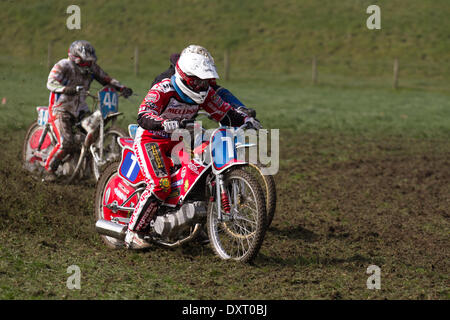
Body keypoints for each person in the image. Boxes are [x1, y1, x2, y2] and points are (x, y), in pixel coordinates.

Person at [125, 44, 261, 249]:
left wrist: (245, 121)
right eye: (197, 80)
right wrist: (163, 123)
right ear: (186, 76)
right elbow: (144, 114)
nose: (202, 85)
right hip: (152, 139)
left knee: (199, 174)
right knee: (160, 185)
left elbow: (225, 113)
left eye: (205, 81)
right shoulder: (164, 89)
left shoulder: (205, 93)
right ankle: (134, 232)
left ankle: (192, 225)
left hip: (180, 140)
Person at [44, 40, 133, 181]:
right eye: (86, 62)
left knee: (93, 133)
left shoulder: (92, 68)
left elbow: (106, 79)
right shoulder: (63, 65)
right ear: (76, 59)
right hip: (61, 109)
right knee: (66, 142)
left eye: (90, 62)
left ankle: (86, 167)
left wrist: (122, 88)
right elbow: (51, 82)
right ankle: (49, 169)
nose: (89, 65)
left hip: (81, 110)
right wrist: (67, 89)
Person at [152, 53, 257, 119]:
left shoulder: (206, 89)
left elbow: (219, 96)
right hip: (160, 131)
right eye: (198, 79)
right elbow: (148, 111)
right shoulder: (163, 84)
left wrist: (242, 115)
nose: (202, 84)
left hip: (186, 129)